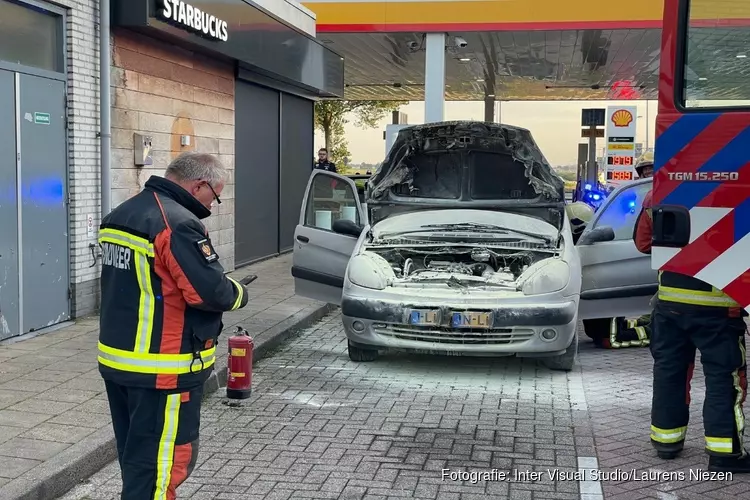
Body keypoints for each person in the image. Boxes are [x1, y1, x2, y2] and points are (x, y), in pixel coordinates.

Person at [97, 152, 250, 498]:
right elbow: (209, 292)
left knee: (136, 463)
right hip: (162, 370)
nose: (214, 204)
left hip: (119, 362)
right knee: (162, 468)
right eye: (216, 195)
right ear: (200, 185)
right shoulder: (177, 223)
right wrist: (239, 292)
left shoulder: (120, 215)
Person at [634, 171, 750, 472]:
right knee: (723, 381)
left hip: (670, 306)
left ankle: (667, 442)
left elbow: (643, 243)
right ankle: (725, 453)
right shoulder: (738, 190)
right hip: (720, 311)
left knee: (669, 373)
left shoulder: (658, 194)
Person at [594, 152, 655, 349]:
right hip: (637, 253)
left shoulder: (656, 198)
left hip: (650, 256)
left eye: (652, 169)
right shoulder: (637, 197)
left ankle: (652, 332)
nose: (648, 173)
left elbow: (644, 241)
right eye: (645, 170)